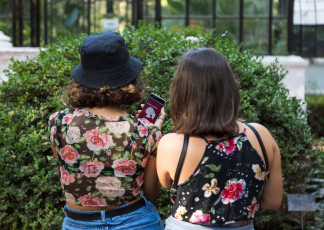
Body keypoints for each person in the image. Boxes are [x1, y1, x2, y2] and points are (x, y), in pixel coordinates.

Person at [47, 32, 165, 230]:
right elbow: (151, 194)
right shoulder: (146, 131)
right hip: (136, 222)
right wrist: (152, 134)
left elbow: (68, 165)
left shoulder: (58, 122)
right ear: (129, 79)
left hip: (78, 223)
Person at [156, 48, 283, 230]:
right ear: (229, 88)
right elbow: (273, 202)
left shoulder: (172, 144)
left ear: (182, 93)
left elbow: (167, 185)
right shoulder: (260, 135)